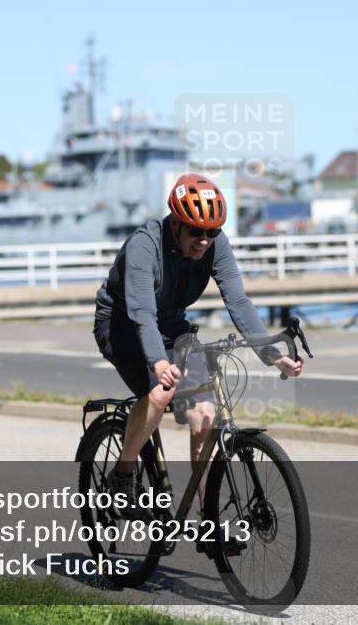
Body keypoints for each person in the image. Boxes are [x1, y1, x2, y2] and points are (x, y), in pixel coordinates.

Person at [93, 173, 304, 519]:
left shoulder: (215, 245)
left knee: (204, 415)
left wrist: (272, 355)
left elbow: (238, 302)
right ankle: (122, 478)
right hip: (121, 324)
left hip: (172, 323)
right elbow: (142, 313)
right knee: (160, 394)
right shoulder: (145, 245)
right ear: (176, 223)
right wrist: (159, 363)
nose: (204, 240)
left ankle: (210, 520)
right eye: (196, 231)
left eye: (212, 232)